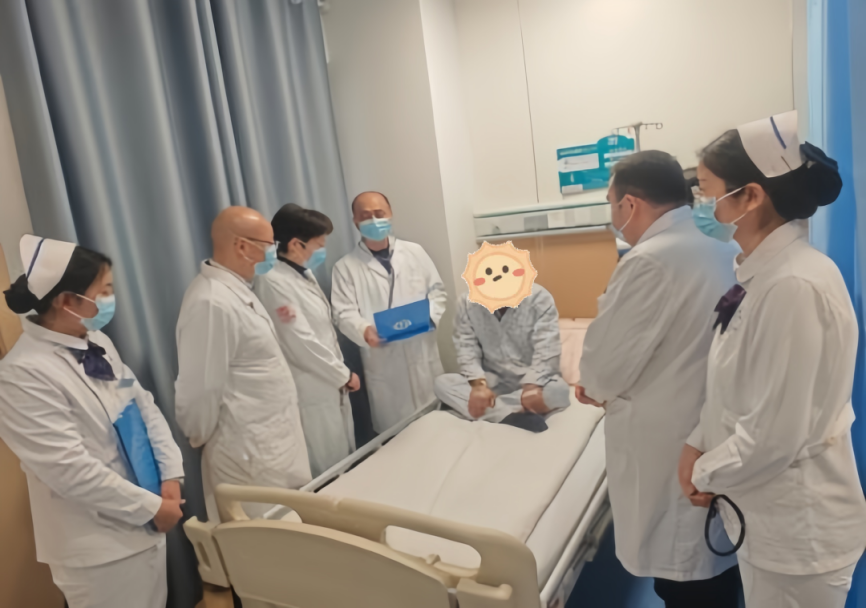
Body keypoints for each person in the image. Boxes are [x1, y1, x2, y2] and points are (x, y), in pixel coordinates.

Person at [680, 111, 866, 608]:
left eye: (706, 190)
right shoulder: (760, 276)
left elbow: (774, 438)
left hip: (799, 532)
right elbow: (736, 389)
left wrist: (702, 474)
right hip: (767, 517)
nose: (700, 204)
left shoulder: (794, 286)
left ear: (751, 197)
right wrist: (698, 442)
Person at [576, 151, 741, 607]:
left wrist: (593, 384)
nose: (613, 217)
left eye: (611, 205)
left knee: (684, 582)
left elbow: (603, 370)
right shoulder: (725, 248)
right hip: (710, 430)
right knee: (714, 573)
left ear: (629, 204)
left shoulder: (648, 261)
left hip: (669, 447)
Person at [0, 236, 185, 608]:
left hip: (149, 519)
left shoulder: (97, 342)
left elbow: (141, 403)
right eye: (104, 291)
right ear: (67, 301)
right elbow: (68, 469)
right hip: (99, 547)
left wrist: (170, 477)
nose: (110, 300)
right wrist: (151, 508)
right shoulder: (22, 374)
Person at [175, 206, 311, 520]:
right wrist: (212, 438)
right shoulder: (211, 302)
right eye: (268, 245)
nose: (273, 252)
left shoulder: (237, 291)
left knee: (292, 534)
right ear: (241, 246)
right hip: (248, 456)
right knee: (264, 542)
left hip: (271, 447)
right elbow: (199, 392)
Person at [254, 203, 358, 477]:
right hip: (309, 385)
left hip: (326, 380)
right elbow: (300, 341)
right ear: (296, 244)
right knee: (324, 463)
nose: (323, 250)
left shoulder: (300, 272)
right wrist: (343, 374)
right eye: (319, 245)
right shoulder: (272, 281)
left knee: (339, 456)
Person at [331, 191, 447, 433]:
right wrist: (364, 331)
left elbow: (437, 292)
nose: (374, 221)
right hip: (384, 362)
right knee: (397, 436)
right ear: (355, 221)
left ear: (390, 214)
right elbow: (343, 312)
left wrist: (429, 317)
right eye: (366, 216)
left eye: (379, 213)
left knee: (437, 427)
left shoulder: (415, 252)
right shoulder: (345, 267)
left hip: (421, 350)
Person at [434, 284, 570, 423]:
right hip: (492, 382)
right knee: (442, 383)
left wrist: (532, 386)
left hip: (531, 382)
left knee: (559, 391)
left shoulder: (539, 297)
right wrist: (478, 386)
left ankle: (495, 411)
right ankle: (509, 416)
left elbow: (547, 349)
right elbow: (466, 349)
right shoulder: (466, 302)